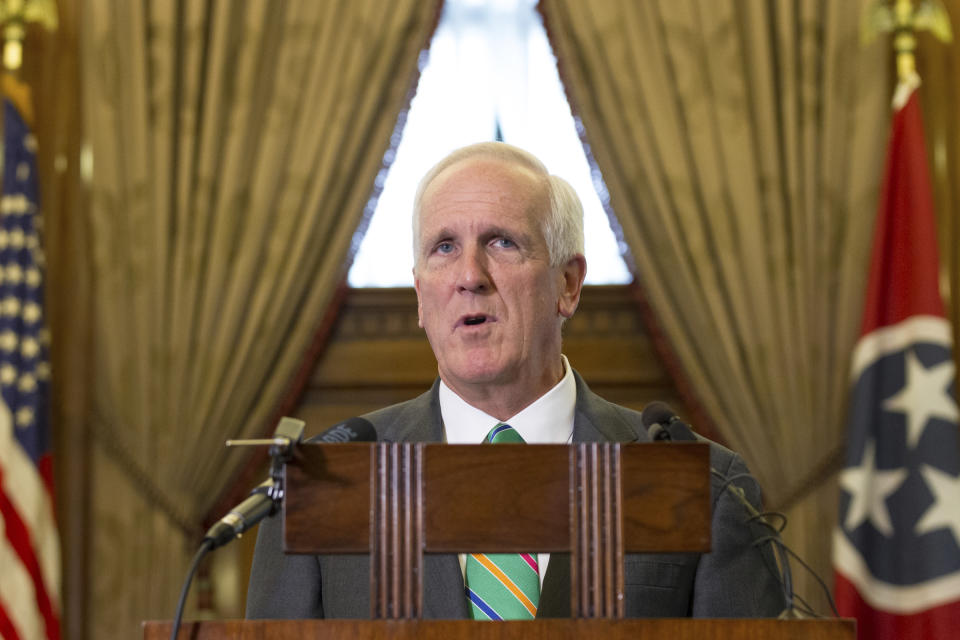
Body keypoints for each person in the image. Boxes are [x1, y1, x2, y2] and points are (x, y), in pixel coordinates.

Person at [246, 142, 785, 619]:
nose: (469, 277)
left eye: (502, 242)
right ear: (419, 294)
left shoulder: (702, 481)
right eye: (444, 247)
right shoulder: (320, 487)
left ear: (568, 284)